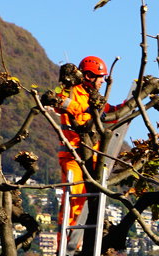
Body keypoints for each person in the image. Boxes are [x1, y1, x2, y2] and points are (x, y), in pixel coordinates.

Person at [46, 56, 112, 230]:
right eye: (101, 77)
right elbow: (59, 101)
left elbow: (110, 112)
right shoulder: (69, 89)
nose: (103, 81)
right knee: (73, 199)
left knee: (89, 200)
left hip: (92, 155)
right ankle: (66, 242)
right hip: (73, 154)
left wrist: (131, 103)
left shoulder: (93, 96)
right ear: (89, 76)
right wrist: (87, 109)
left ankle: (79, 242)